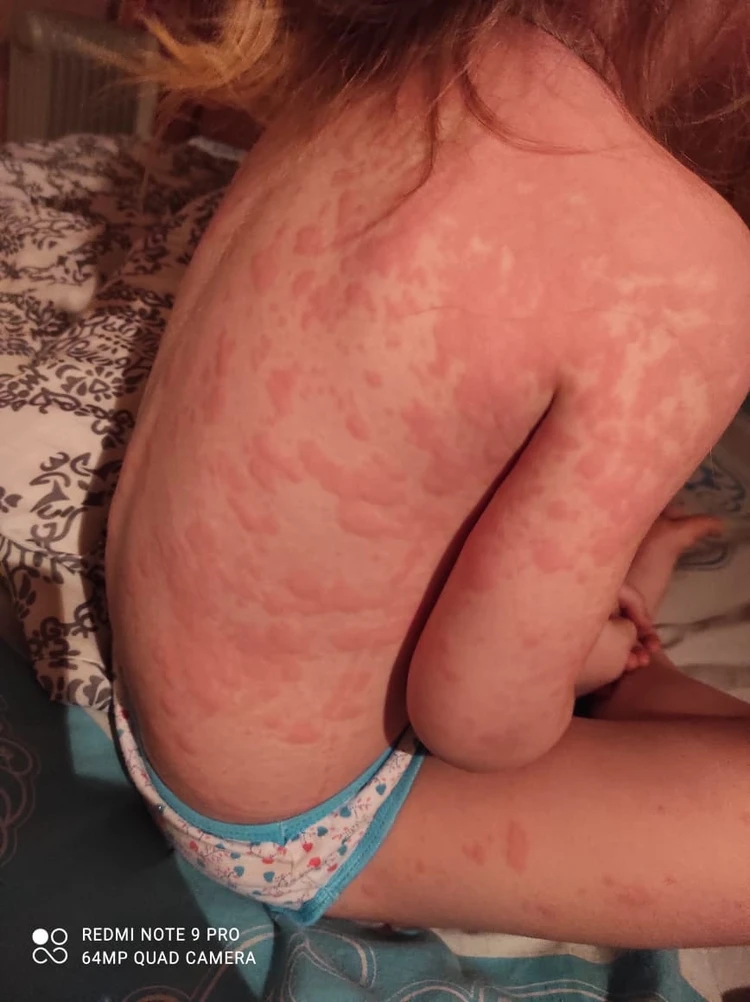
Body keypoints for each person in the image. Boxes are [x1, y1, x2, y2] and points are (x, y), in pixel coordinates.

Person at [106, 0, 750, 945]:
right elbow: (478, 722)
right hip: (300, 817)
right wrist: (586, 653)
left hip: (177, 706)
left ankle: (615, 653)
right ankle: (616, 661)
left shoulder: (373, 67)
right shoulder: (685, 269)